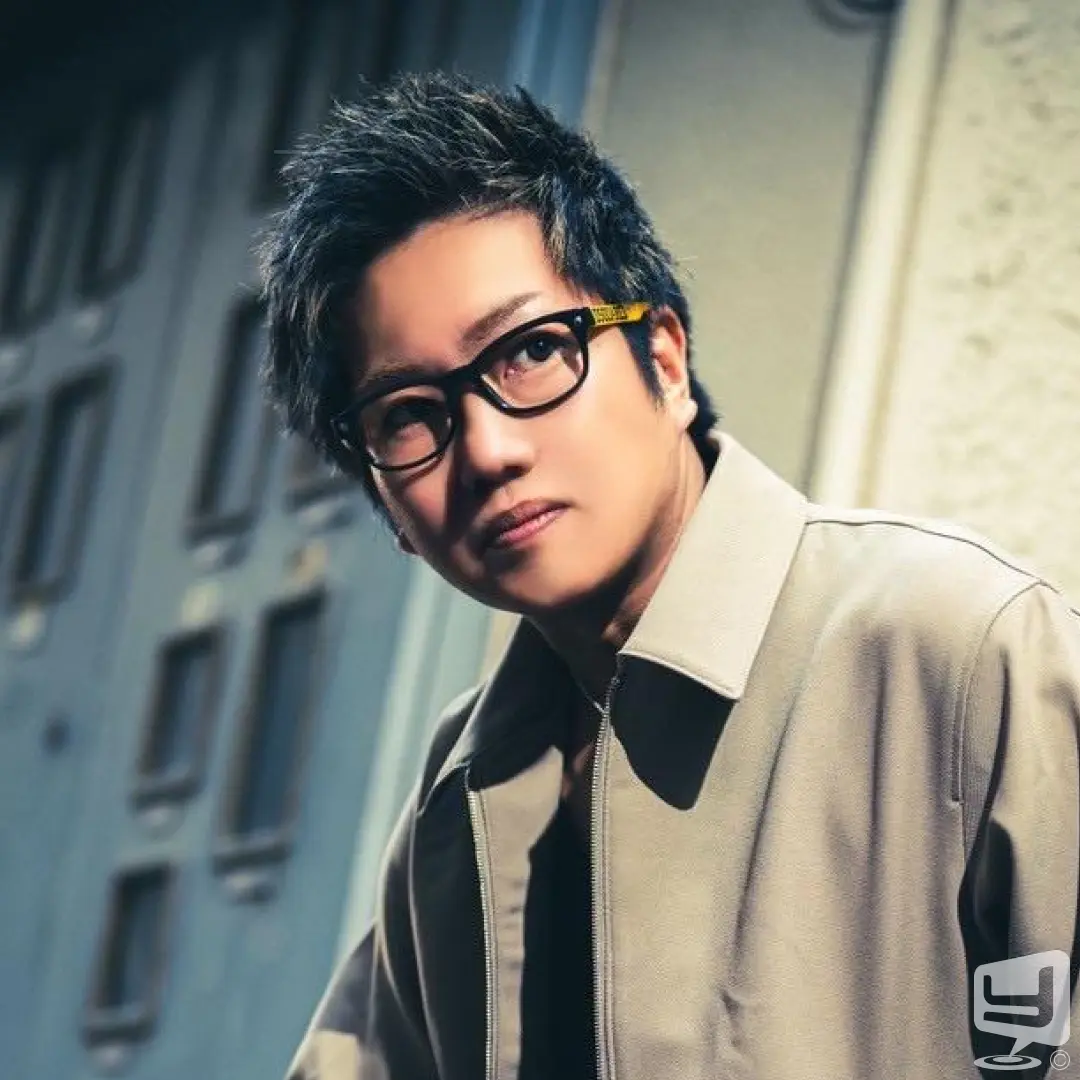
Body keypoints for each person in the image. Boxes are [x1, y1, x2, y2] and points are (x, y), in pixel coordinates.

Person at [259, 71, 1080, 1080]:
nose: (488, 451)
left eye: (531, 352)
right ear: (386, 506)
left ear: (666, 356)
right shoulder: (460, 794)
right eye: (409, 416)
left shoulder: (957, 648)